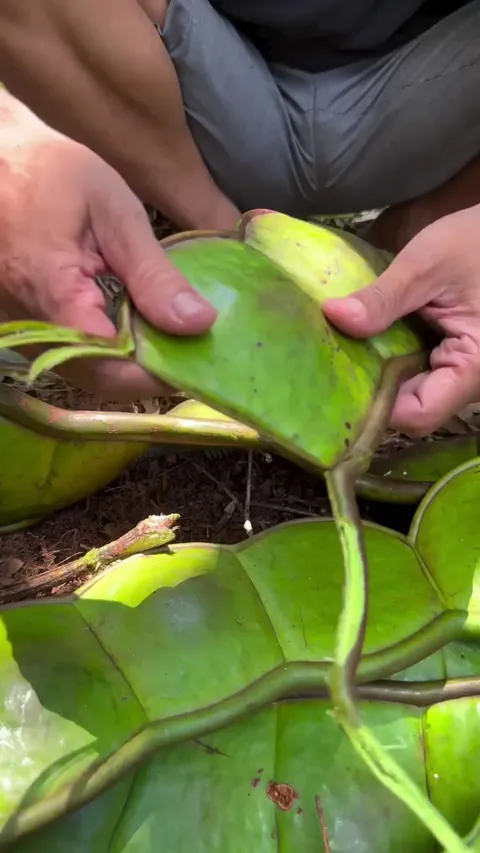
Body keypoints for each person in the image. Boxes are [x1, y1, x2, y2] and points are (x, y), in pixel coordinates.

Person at [0, 0, 479, 436]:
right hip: (204, 88)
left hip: (435, 92)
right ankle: (223, 241)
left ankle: (416, 241)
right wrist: (13, 155)